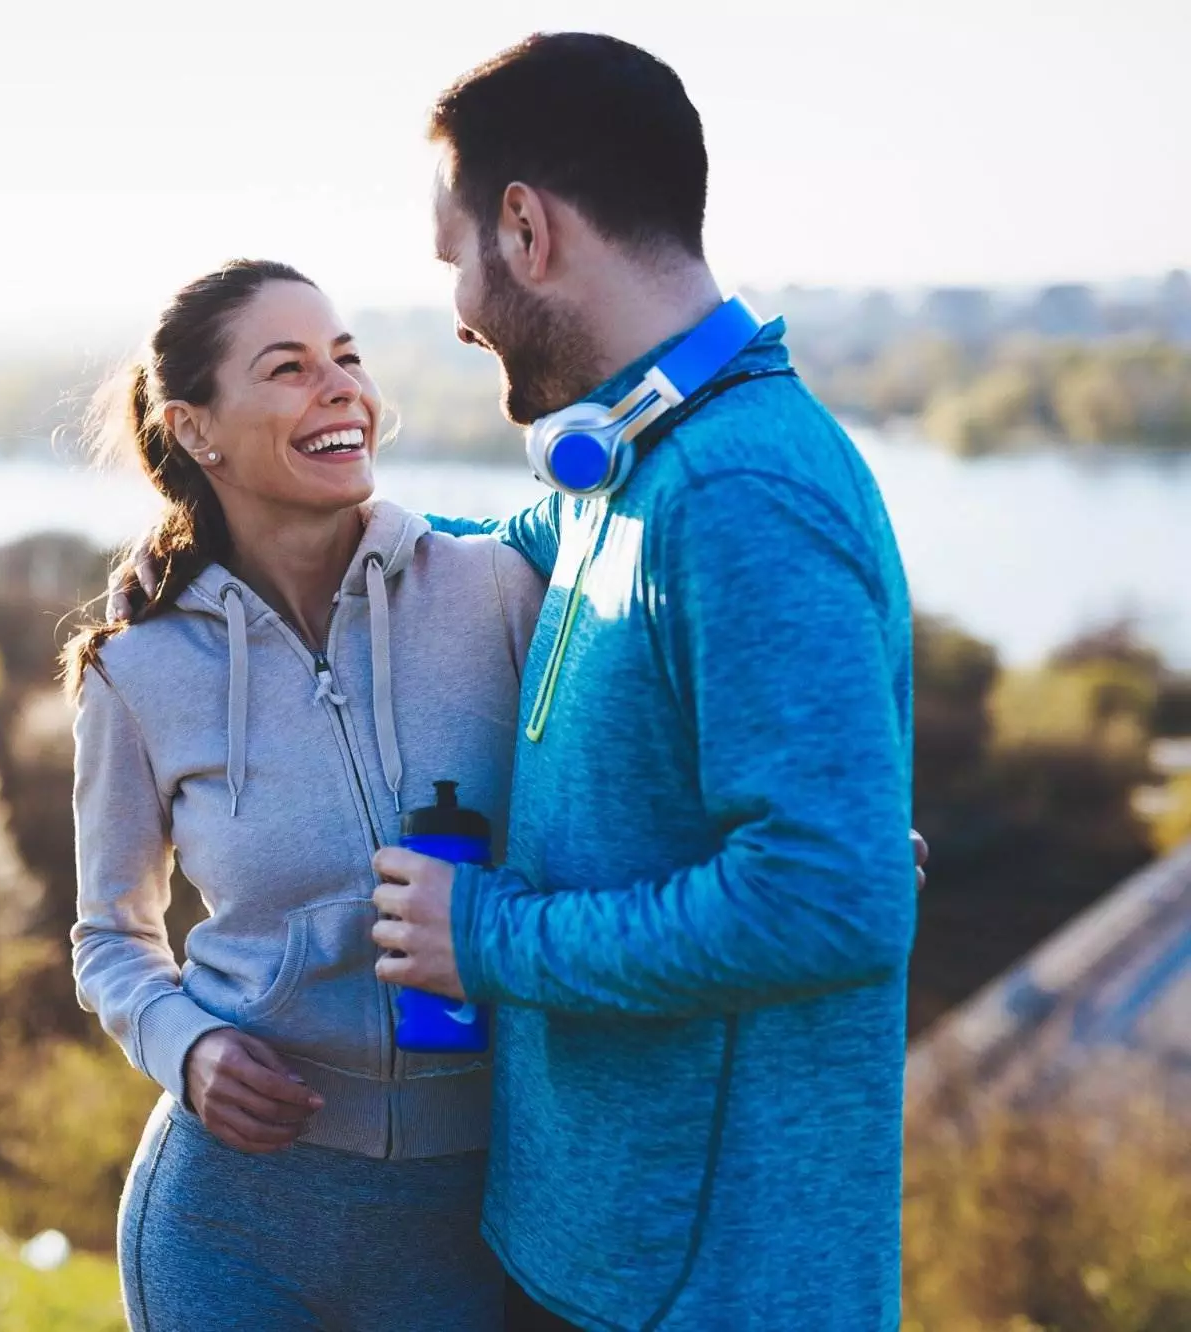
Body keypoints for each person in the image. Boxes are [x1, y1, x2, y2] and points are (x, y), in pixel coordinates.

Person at [371, 33, 920, 1330]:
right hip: (608, 1261)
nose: (456, 305)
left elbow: (832, 903)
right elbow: (497, 555)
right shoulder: (639, 469)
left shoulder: (738, 496)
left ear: (526, 227)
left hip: (705, 1289)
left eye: (454, 255)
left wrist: (483, 935)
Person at [65, 257, 544, 1330]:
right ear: (197, 431)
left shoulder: (494, 593)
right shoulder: (135, 670)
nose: (339, 389)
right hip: (233, 1223)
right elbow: (109, 937)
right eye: (286, 368)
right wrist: (185, 1048)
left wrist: (813, 827)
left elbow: (636, 759)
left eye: (347, 358)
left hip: (471, 1212)